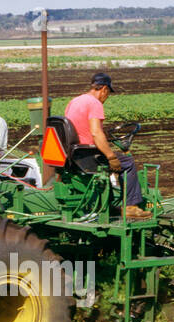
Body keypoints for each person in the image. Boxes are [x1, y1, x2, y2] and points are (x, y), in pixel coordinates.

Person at [63, 72, 148, 219]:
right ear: (104, 89)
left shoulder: (74, 101)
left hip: (73, 154)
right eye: (108, 93)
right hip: (87, 156)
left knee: (114, 159)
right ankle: (130, 206)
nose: (106, 97)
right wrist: (110, 156)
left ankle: (108, 205)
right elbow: (96, 133)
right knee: (127, 163)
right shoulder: (95, 103)